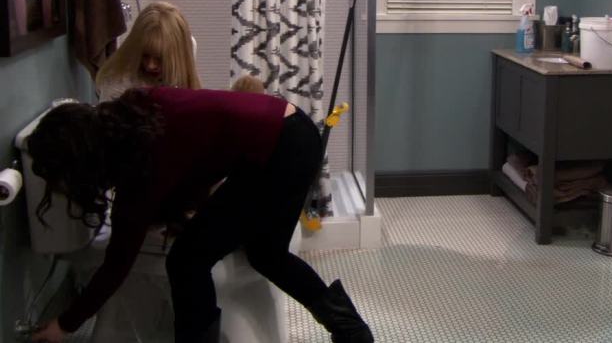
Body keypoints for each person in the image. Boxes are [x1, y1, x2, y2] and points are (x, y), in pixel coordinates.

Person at [28, 87, 374, 343]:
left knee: (186, 261)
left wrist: (65, 324)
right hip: (292, 131)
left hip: (281, 151)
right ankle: (353, 333)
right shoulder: (135, 110)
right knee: (266, 254)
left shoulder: (141, 167)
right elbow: (194, 160)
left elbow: (117, 264)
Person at [95, 1, 201, 101]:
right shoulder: (117, 82)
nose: (150, 65)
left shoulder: (188, 46)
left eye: (159, 58)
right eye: (145, 55)